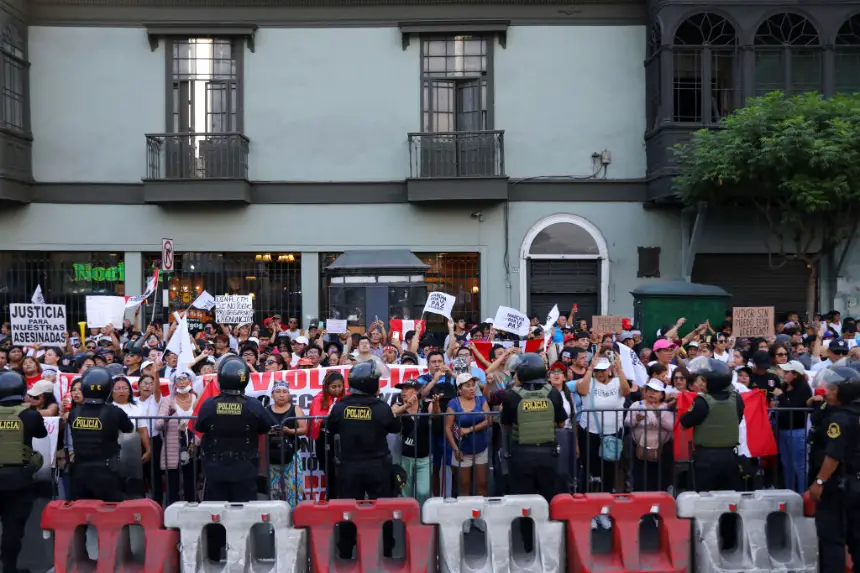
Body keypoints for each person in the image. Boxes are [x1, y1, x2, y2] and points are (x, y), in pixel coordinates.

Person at [196, 356, 274, 502]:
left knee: (216, 513)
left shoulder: (209, 405)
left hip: (215, 467)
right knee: (243, 513)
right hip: (245, 468)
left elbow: (200, 426)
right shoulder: (253, 405)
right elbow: (266, 426)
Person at [806, 366, 860, 573]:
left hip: (838, 486)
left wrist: (820, 481)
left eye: (832, 389)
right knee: (857, 538)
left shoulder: (839, 418)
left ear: (843, 392)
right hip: (855, 482)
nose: (826, 392)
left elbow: (834, 454)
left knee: (832, 538)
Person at [328, 360, 401, 499]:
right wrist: (394, 413)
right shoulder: (381, 408)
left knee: (348, 511)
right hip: (377, 466)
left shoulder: (340, 407)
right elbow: (395, 427)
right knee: (382, 510)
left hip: (349, 466)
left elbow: (331, 428)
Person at [501, 353, 567, 502]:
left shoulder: (511, 396)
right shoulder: (553, 393)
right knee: (548, 499)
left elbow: (506, 424)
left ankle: (525, 526)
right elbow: (561, 423)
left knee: (523, 502)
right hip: (548, 455)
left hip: (521, 455)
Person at [0, 370, 46, 573]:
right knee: (13, 528)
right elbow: (42, 433)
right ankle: (9, 568)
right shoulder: (30, 415)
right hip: (18, 479)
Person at [68, 366, 134, 501]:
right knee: (111, 515)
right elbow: (129, 428)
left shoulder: (74, 412)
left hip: (80, 472)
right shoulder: (114, 412)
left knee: (81, 515)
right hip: (106, 472)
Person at [679, 357, 744, 492]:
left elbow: (684, 423)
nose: (700, 384)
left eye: (703, 380)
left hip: (706, 458)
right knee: (730, 497)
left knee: (703, 498)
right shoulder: (736, 398)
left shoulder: (702, 401)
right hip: (730, 457)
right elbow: (738, 418)